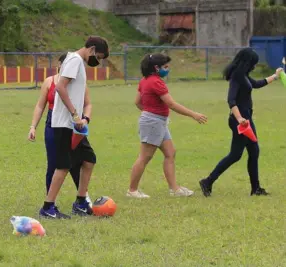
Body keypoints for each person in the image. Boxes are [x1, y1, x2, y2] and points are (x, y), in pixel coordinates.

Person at [39, 36, 109, 219]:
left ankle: (80, 203)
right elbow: (60, 87)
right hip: (64, 123)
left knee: (89, 159)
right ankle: (48, 207)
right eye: (98, 57)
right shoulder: (74, 60)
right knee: (62, 165)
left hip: (75, 126)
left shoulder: (77, 62)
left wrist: (83, 118)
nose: (98, 61)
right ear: (91, 49)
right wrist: (74, 114)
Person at [199, 48, 284, 197]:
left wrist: (275, 76)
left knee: (254, 151)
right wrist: (240, 119)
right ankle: (208, 181)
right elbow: (231, 100)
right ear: (247, 62)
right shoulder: (237, 77)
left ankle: (256, 189)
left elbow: (257, 84)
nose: (255, 66)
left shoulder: (243, 75)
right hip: (241, 121)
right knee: (235, 155)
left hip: (246, 119)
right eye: (253, 63)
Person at [127, 53, 207, 198]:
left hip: (158, 122)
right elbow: (171, 104)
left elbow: (137, 102)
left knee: (170, 153)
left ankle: (174, 189)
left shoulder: (145, 80)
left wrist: (148, 112)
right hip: (154, 122)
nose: (168, 69)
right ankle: (132, 191)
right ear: (156, 68)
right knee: (145, 157)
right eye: (165, 66)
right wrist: (193, 114)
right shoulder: (156, 82)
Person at [28, 53, 92, 205]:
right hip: (53, 123)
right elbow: (40, 105)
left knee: (78, 160)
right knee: (55, 162)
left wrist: (85, 119)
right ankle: (51, 202)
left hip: (74, 124)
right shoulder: (49, 82)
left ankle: (83, 199)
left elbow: (88, 104)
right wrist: (33, 127)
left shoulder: (80, 82)